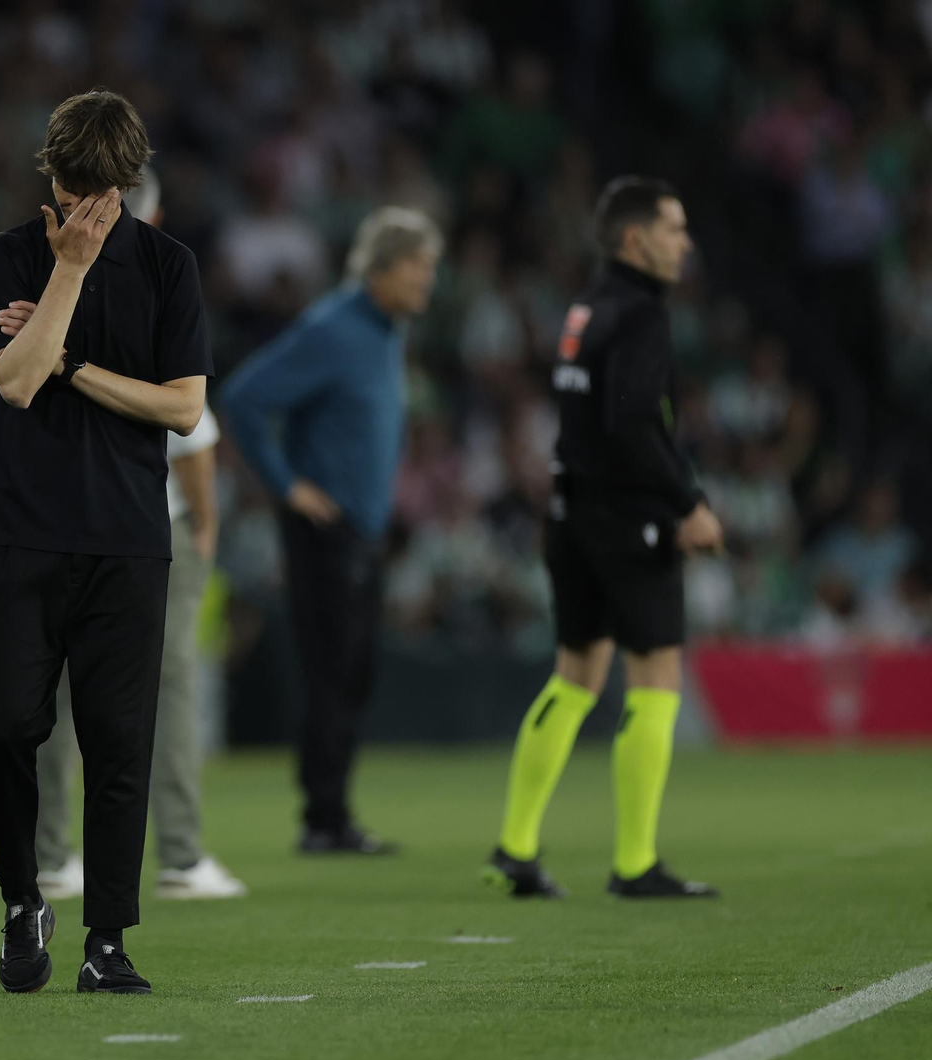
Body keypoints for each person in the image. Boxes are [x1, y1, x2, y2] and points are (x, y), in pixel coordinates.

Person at [0, 90, 210, 995]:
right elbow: (16, 385)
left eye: (106, 195)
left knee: (119, 747)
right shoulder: (11, 257)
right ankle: (22, 898)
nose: (92, 211)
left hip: (127, 542)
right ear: (53, 183)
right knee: (1, 729)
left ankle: (107, 941)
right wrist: (66, 274)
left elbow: (183, 407)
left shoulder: (169, 266)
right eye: (77, 194)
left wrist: (71, 359)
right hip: (25, 536)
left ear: (130, 186)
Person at [0, 170, 246, 903]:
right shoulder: (164, 282)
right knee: (162, 690)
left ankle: (52, 854)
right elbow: (191, 429)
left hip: (53, 521)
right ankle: (178, 853)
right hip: (139, 529)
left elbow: (18, 385)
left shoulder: (35, 285)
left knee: (51, 692)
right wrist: (203, 525)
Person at [484, 176, 724, 900]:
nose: (685, 242)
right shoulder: (644, 313)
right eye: (674, 228)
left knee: (575, 675)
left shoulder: (587, 307)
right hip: (629, 520)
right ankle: (635, 863)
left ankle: (517, 848)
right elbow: (631, 422)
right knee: (655, 680)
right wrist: (689, 503)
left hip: (569, 511)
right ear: (634, 238)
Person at [221, 207, 442, 855]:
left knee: (355, 669)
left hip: (363, 526)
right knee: (333, 669)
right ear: (382, 267)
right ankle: (323, 817)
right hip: (327, 527)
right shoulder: (332, 327)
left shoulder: (384, 329)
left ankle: (334, 810)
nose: (428, 280)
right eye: (419, 266)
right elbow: (243, 396)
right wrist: (287, 484)